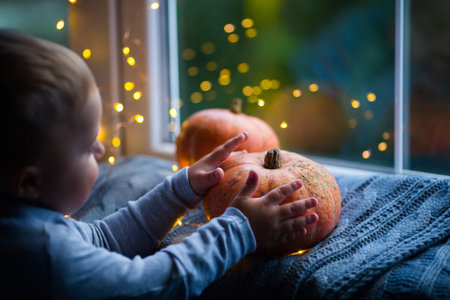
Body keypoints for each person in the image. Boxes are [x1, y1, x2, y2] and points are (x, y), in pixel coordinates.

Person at [0, 29, 319, 299]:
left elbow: (104, 241)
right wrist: (238, 230)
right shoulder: (43, 254)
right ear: (29, 183)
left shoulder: (26, 224)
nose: (100, 148)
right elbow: (153, 283)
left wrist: (182, 189)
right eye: (85, 148)